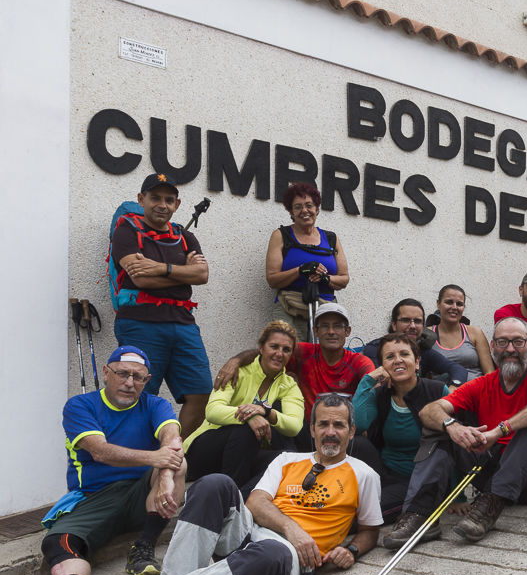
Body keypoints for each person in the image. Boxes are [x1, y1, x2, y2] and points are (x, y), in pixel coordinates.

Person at [93, 394, 381, 575]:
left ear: (351, 431)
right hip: (252, 533)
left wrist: (352, 551)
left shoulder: (364, 474)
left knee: (271, 553)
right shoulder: (287, 460)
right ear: (313, 429)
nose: (331, 431)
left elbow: (370, 530)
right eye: (324, 424)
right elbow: (255, 503)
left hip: (290, 558)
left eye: (339, 425)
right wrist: (292, 528)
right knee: (215, 483)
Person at [29, 346, 186, 575]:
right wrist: (157, 459)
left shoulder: (155, 404)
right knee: (57, 540)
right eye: (122, 374)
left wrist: (164, 477)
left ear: (147, 380)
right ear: (106, 372)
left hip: (143, 493)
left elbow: (172, 440)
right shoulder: (80, 405)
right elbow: (100, 451)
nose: (129, 382)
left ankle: (143, 547)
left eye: (138, 377)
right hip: (96, 496)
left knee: (178, 465)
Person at [382, 318, 527, 547]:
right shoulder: (481, 384)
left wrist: (500, 431)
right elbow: (429, 410)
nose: (510, 349)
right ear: (492, 347)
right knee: (439, 427)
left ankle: (490, 504)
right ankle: (421, 515)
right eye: (502, 342)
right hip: (491, 467)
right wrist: (454, 427)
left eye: (518, 342)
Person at [110, 172, 211, 438]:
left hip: (183, 323)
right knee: (137, 392)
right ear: (141, 199)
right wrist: (181, 275)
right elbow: (140, 278)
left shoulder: (185, 237)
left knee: (200, 393)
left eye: (169, 200)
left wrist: (159, 268)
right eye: (155, 198)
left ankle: (167, 449)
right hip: (140, 323)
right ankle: (137, 458)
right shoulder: (126, 231)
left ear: (176, 205)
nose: (162, 205)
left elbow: (202, 275)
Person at [214, 303, 375, 455]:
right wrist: (236, 360)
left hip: (340, 431)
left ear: (347, 331)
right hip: (305, 430)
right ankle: (288, 462)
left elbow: (373, 385)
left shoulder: (359, 361)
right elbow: (266, 353)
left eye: (337, 326)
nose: (331, 331)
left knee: (365, 445)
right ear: (315, 331)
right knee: (277, 404)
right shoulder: (304, 352)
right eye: (325, 326)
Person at [185, 321, 304, 487]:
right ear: (261, 348)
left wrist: (266, 412)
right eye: (274, 346)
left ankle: (245, 499)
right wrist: (250, 416)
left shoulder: (288, 385)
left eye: (286, 350)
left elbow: (294, 425)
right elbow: (212, 411)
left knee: (287, 459)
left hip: (244, 455)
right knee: (245, 430)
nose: (279, 353)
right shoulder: (237, 372)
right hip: (203, 452)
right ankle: (231, 500)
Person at [353, 333, 448, 521]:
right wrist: (367, 381)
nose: (398, 361)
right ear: (382, 366)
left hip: (420, 479)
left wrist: (457, 497)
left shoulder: (436, 391)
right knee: (356, 444)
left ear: (417, 362)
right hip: (384, 473)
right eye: (390, 357)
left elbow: (452, 441)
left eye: (404, 354)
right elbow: (358, 425)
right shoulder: (380, 395)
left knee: (364, 512)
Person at [265, 182, 349, 342]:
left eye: (309, 205)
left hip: (325, 310)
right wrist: (301, 270)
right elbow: (272, 279)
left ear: (317, 209)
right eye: (297, 207)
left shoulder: (331, 238)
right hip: (289, 307)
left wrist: (325, 278)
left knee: (322, 357)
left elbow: (344, 278)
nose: (304, 210)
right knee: (289, 357)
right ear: (291, 212)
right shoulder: (281, 235)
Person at [362, 299, 471, 386]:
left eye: (418, 321)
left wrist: (453, 389)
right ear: (394, 325)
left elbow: (458, 370)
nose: (413, 326)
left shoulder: (422, 350)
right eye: (406, 320)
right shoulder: (375, 349)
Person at [428, 284, 494, 380]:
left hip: (475, 392)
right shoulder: (428, 334)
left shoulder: (475, 333)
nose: (454, 307)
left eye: (459, 304)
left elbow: (489, 372)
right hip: (443, 393)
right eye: (449, 302)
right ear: (438, 304)